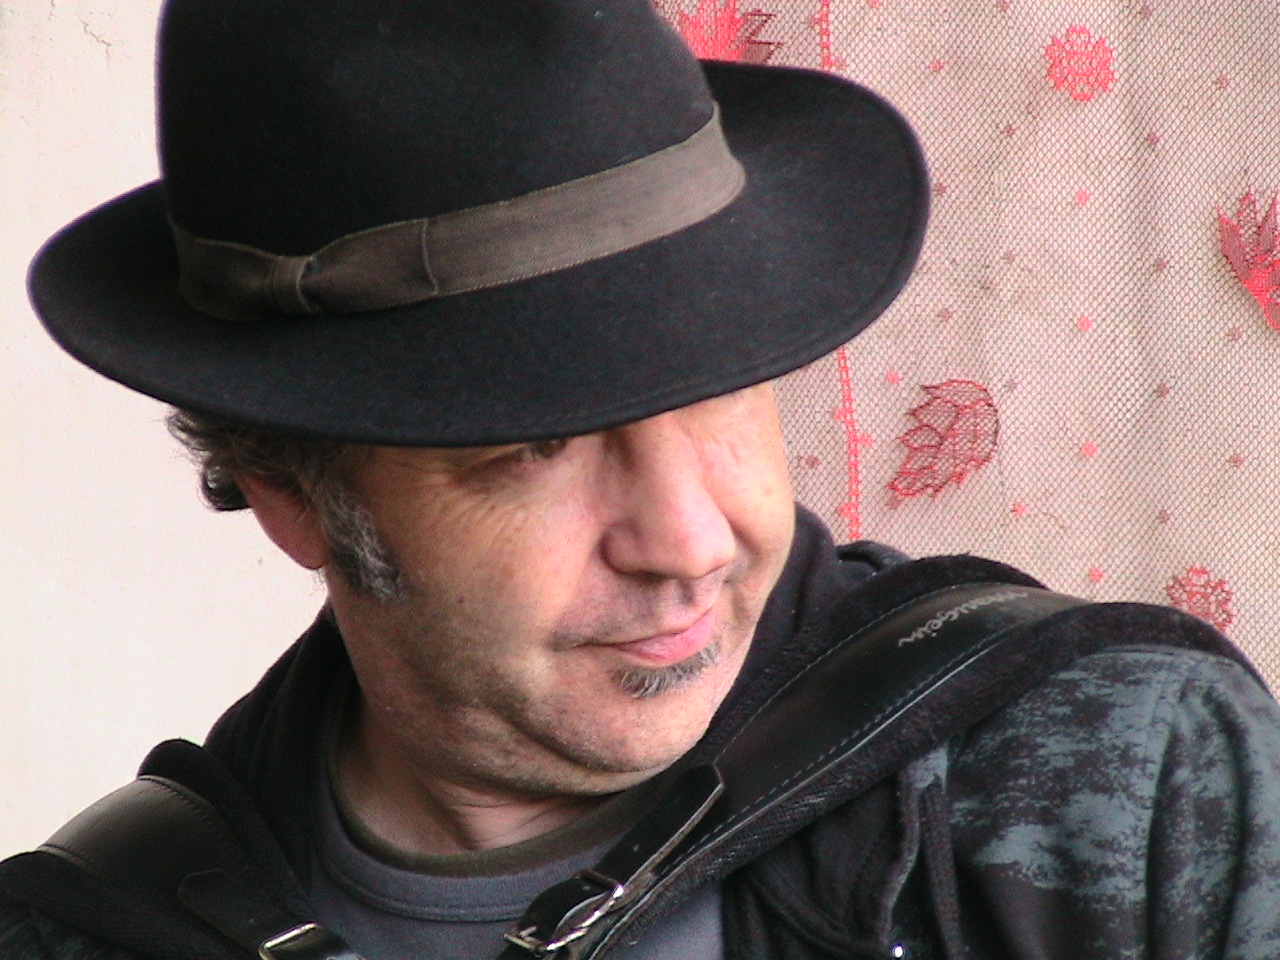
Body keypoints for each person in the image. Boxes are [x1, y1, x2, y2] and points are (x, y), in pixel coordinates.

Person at [4, 0, 1280, 958]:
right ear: (290, 494)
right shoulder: (81, 933)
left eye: (722, 389)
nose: (689, 540)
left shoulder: (1128, 773)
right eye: (534, 446)